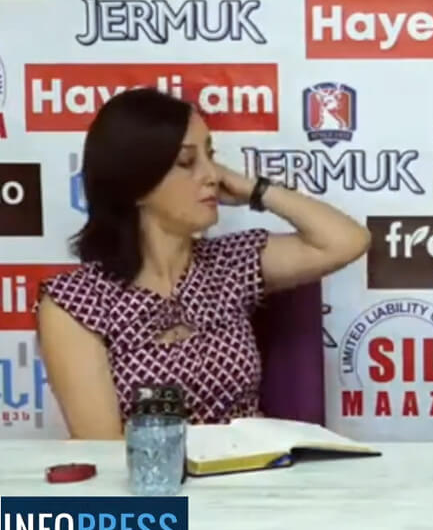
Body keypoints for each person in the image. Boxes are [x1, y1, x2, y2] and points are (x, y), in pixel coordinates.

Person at [35, 88, 371, 440]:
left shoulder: (230, 264)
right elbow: (102, 446)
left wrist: (254, 190)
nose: (212, 175)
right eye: (186, 162)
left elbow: (348, 241)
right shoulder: (77, 303)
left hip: (253, 467)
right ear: (136, 183)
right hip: (153, 472)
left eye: (211, 157)